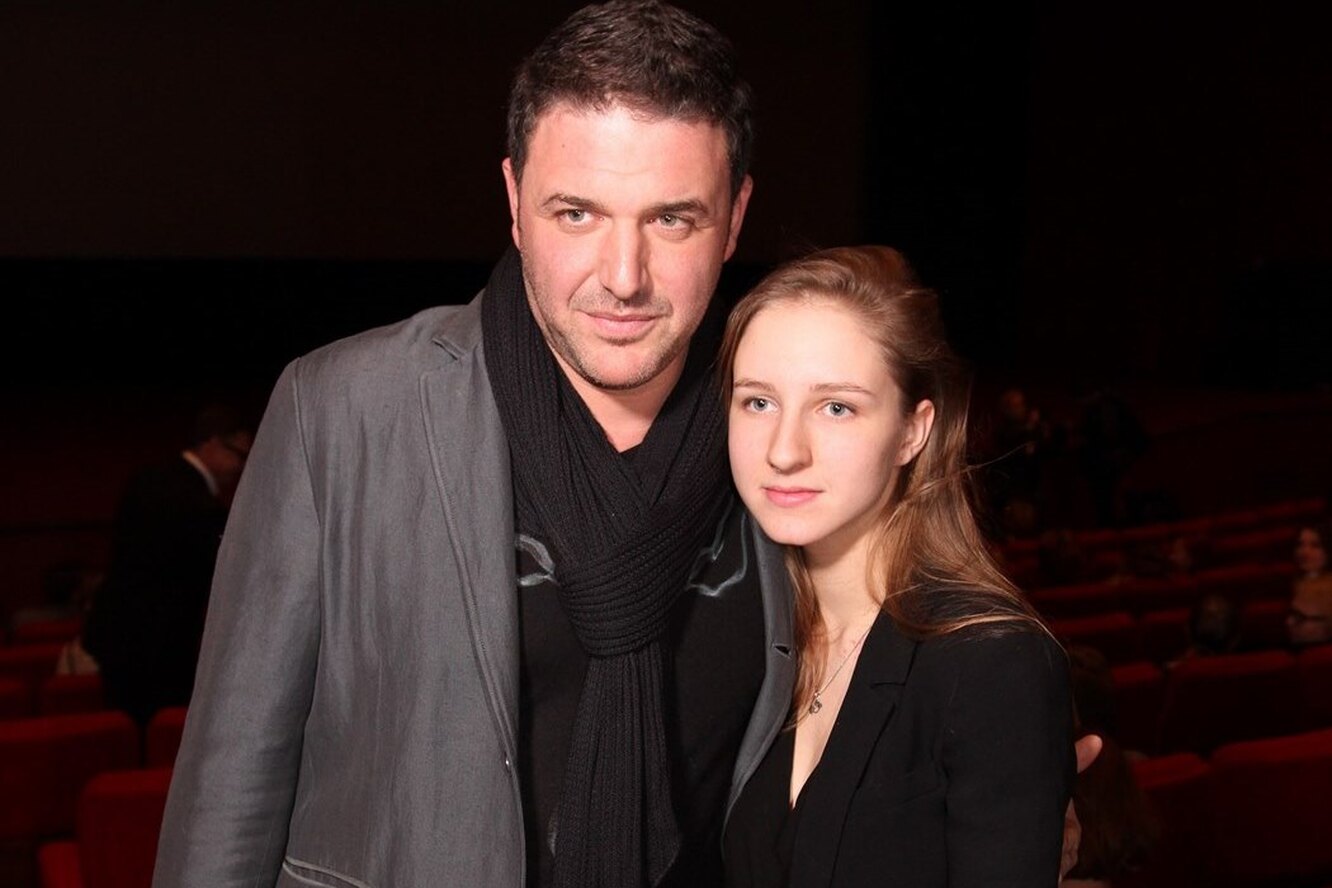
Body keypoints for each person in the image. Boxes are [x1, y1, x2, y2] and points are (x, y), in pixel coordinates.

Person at [154, 5, 792, 887]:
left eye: (672, 220)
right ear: (515, 202)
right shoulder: (339, 410)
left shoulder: (787, 428)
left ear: (736, 217)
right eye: (577, 213)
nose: (623, 276)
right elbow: (230, 788)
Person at [721, 246, 1075, 886]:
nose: (784, 451)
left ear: (913, 431)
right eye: (758, 402)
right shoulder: (732, 626)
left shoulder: (992, 662)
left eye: (836, 407)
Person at [82, 404, 251, 724]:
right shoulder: (196, 503)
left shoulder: (151, 479)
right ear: (211, 443)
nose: (240, 467)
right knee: (158, 733)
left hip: (124, 639)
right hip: (156, 649)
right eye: (238, 454)